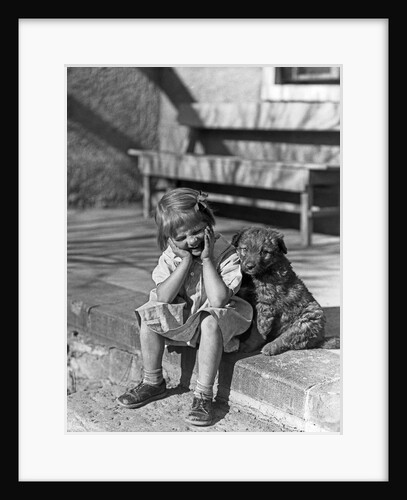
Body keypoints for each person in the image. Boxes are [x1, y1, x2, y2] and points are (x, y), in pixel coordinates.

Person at [117, 188, 253, 426]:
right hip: (187, 317)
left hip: (219, 321)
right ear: (169, 239)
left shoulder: (225, 253)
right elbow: (163, 297)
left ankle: (203, 395)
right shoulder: (173, 255)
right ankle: (152, 381)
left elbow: (219, 301)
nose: (192, 240)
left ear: (208, 223)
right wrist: (186, 261)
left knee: (210, 320)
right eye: (181, 237)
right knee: (150, 310)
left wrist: (207, 259)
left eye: (197, 231)